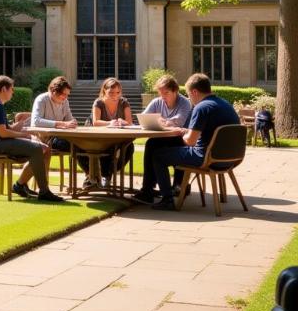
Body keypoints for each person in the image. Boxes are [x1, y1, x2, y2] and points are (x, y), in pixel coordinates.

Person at [148, 73, 240, 210]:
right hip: (230, 159)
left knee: (158, 155)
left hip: (205, 158)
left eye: (188, 94)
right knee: (168, 149)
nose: (189, 98)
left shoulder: (202, 108)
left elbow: (190, 141)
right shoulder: (226, 104)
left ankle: (167, 199)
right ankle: (178, 187)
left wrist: (183, 133)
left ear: (195, 92)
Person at [0, 75, 63, 202]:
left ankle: (21, 185)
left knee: (44, 148)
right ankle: (43, 191)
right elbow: (3, 133)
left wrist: (22, 123)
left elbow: (6, 128)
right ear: (4, 89)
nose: (13, 92)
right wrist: (25, 135)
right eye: (12, 89)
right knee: (37, 148)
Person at [132, 74, 192, 204]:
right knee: (151, 144)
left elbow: (179, 121)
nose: (163, 96)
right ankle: (148, 189)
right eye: (160, 93)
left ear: (175, 91)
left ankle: (175, 185)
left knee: (153, 145)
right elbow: (143, 118)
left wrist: (162, 121)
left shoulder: (184, 102)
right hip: (162, 138)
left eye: (166, 93)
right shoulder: (157, 102)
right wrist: (159, 121)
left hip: (181, 141)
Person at [30, 76, 81, 177]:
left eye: (67, 95)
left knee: (83, 145)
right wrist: (61, 124)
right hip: (42, 138)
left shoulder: (65, 102)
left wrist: (72, 122)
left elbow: (69, 119)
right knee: (79, 146)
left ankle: (91, 178)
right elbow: (36, 121)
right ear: (54, 91)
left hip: (58, 137)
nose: (66, 97)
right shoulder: (42, 99)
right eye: (64, 94)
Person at [89, 77, 134, 187]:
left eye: (118, 92)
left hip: (118, 137)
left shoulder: (124, 102)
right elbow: (96, 122)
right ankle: (105, 176)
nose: (115, 95)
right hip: (101, 137)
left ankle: (110, 172)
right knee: (108, 146)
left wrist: (123, 122)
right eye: (111, 92)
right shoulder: (99, 102)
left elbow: (130, 122)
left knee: (129, 147)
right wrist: (110, 123)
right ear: (104, 90)